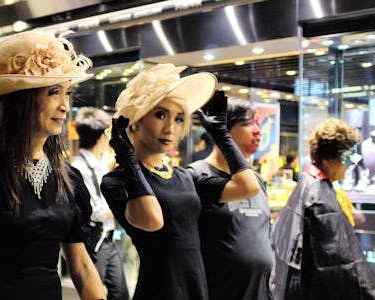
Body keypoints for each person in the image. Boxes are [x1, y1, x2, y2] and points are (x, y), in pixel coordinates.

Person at [0, 30, 106, 300]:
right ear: (21, 101)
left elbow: (83, 267)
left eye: (67, 93)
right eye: (53, 92)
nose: (65, 105)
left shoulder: (68, 179)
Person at [100, 63, 260, 300]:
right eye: (160, 114)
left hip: (197, 288)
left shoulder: (184, 176)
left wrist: (221, 135)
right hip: (159, 291)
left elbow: (249, 187)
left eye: (178, 118)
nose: (170, 128)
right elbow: (153, 220)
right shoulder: (117, 181)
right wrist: (128, 158)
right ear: (135, 121)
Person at [270, 117, 375, 300]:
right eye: (347, 157)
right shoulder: (320, 199)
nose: (351, 164)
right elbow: (340, 265)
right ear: (327, 160)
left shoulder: (306, 184)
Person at [188, 98, 274, 300]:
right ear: (222, 128)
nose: (257, 131)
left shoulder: (257, 181)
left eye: (258, 125)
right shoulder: (197, 176)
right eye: (247, 124)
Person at [72, 106, 129, 300]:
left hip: (108, 238)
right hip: (94, 242)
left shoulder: (100, 166)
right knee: (95, 294)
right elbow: (92, 210)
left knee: (120, 292)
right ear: (102, 137)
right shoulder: (79, 168)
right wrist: (119, 208)